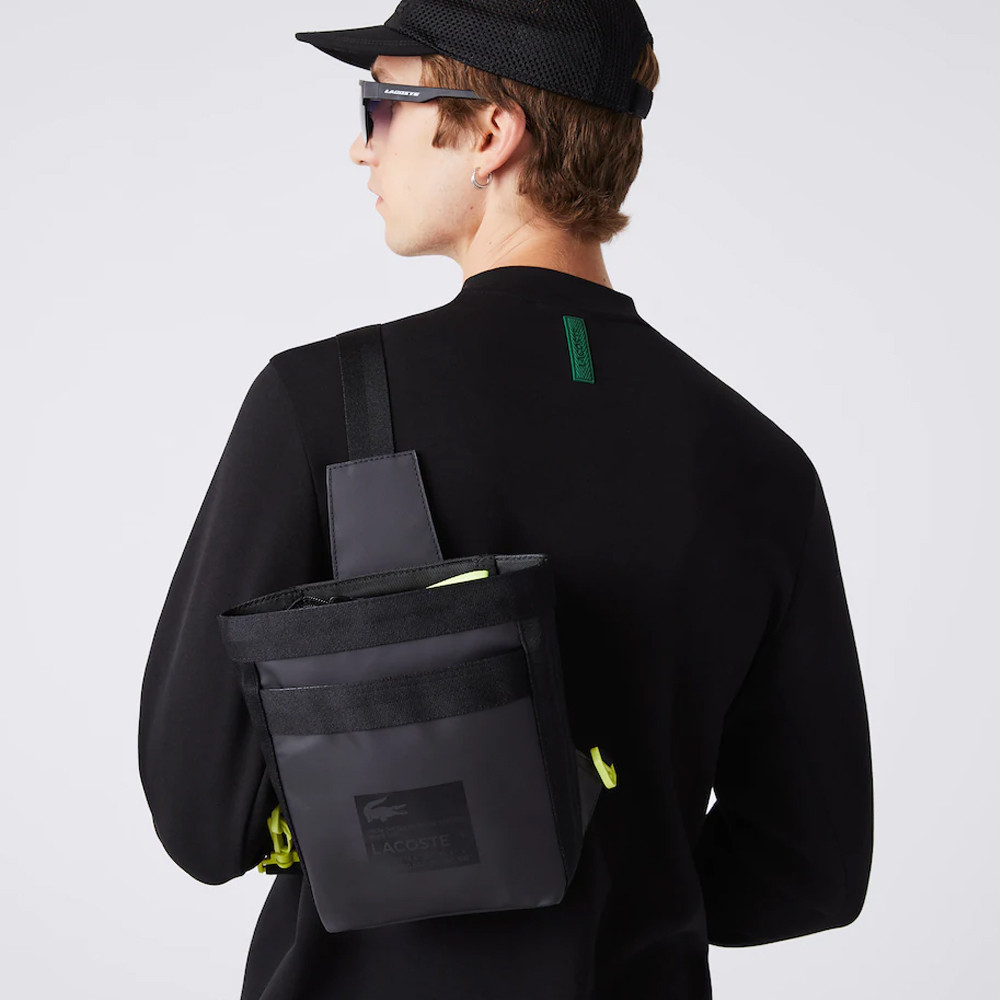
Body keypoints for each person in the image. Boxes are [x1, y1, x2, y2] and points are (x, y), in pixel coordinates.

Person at [137, 2, 874, 999]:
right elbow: (812, 869)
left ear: (491, 133)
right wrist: (618, 877)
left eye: (381, 105)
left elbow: (201, 818)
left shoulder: (325, 409)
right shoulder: (762, 465)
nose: (362, 147)